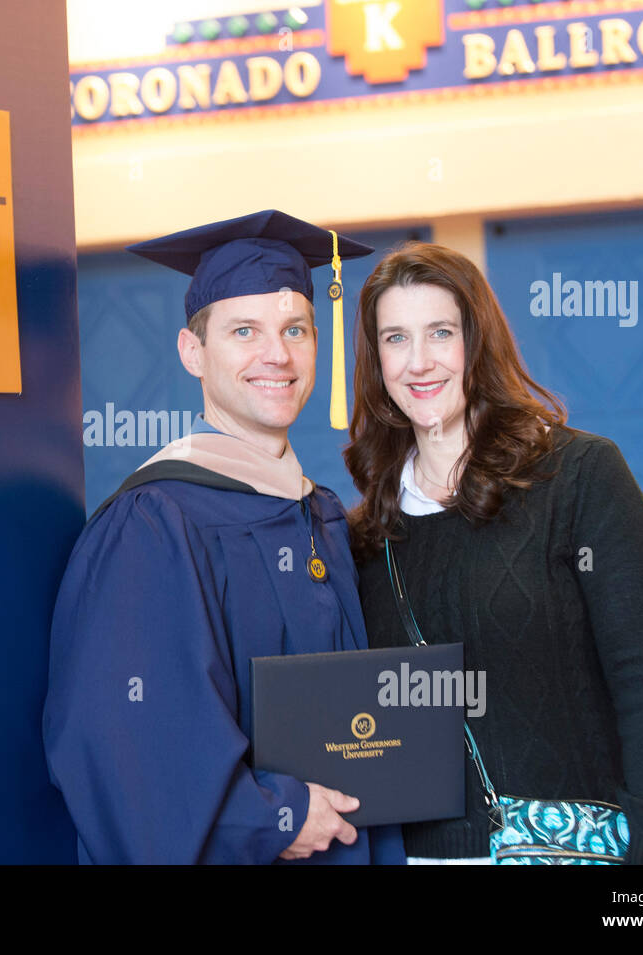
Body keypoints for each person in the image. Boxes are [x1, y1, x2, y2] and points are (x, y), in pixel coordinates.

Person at [43, 210, 406, 864]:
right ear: (193, 351)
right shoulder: (153, 525)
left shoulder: (318, 513)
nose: (278, 354)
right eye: (245, 331)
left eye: (296, 329)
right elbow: (123, 744)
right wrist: (277, 817)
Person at [344, 241, 643, 864]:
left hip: (569, 846)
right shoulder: (368, 528)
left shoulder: (579, 475)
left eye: (440, 332)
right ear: (375, 359)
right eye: (395, 339)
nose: (418, 362)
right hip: (419, 854)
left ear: (478, 341)